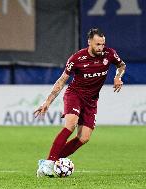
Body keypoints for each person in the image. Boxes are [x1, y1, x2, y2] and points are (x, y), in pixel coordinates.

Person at [34, 28, 126, 177]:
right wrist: (47, 101)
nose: (101, 48)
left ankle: (48, 162)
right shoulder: (77, 59)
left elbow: (121, 65)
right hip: (74, 95)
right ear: (89, 42)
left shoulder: (110, 54)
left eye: (103, 44)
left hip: (91, 101)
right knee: (70, 125)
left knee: (84, 138)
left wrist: (118, 77)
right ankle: (50, 163)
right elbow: (61, 81)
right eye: (97, 44)